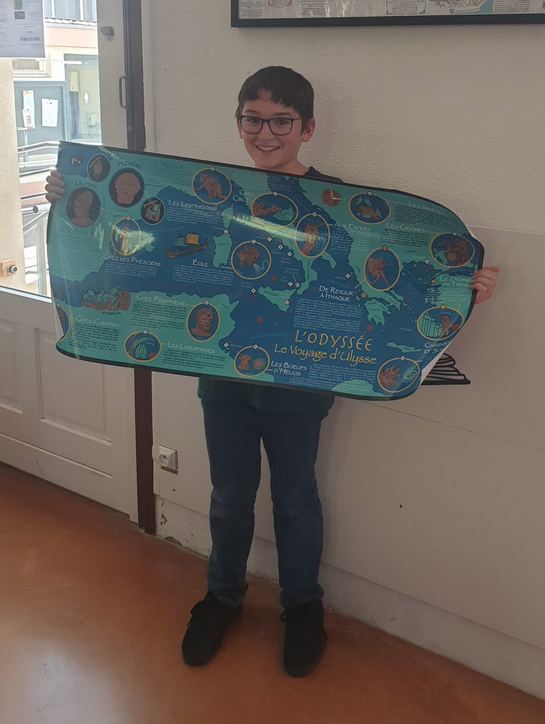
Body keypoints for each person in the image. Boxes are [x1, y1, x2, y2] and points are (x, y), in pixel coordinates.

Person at [45, 66, 499, 678]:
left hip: (299, 385)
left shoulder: (337, 203)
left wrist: (465, 284)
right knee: (229, 496)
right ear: (238, 124)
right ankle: (221, 598)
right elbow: (139, 238)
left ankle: (302, 608)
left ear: (307, 128)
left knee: (295, 497)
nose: (265, 133)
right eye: (253, 120)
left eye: (281, 121)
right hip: (223, 375)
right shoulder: (214, 196)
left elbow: (396, 266)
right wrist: (74, 195)